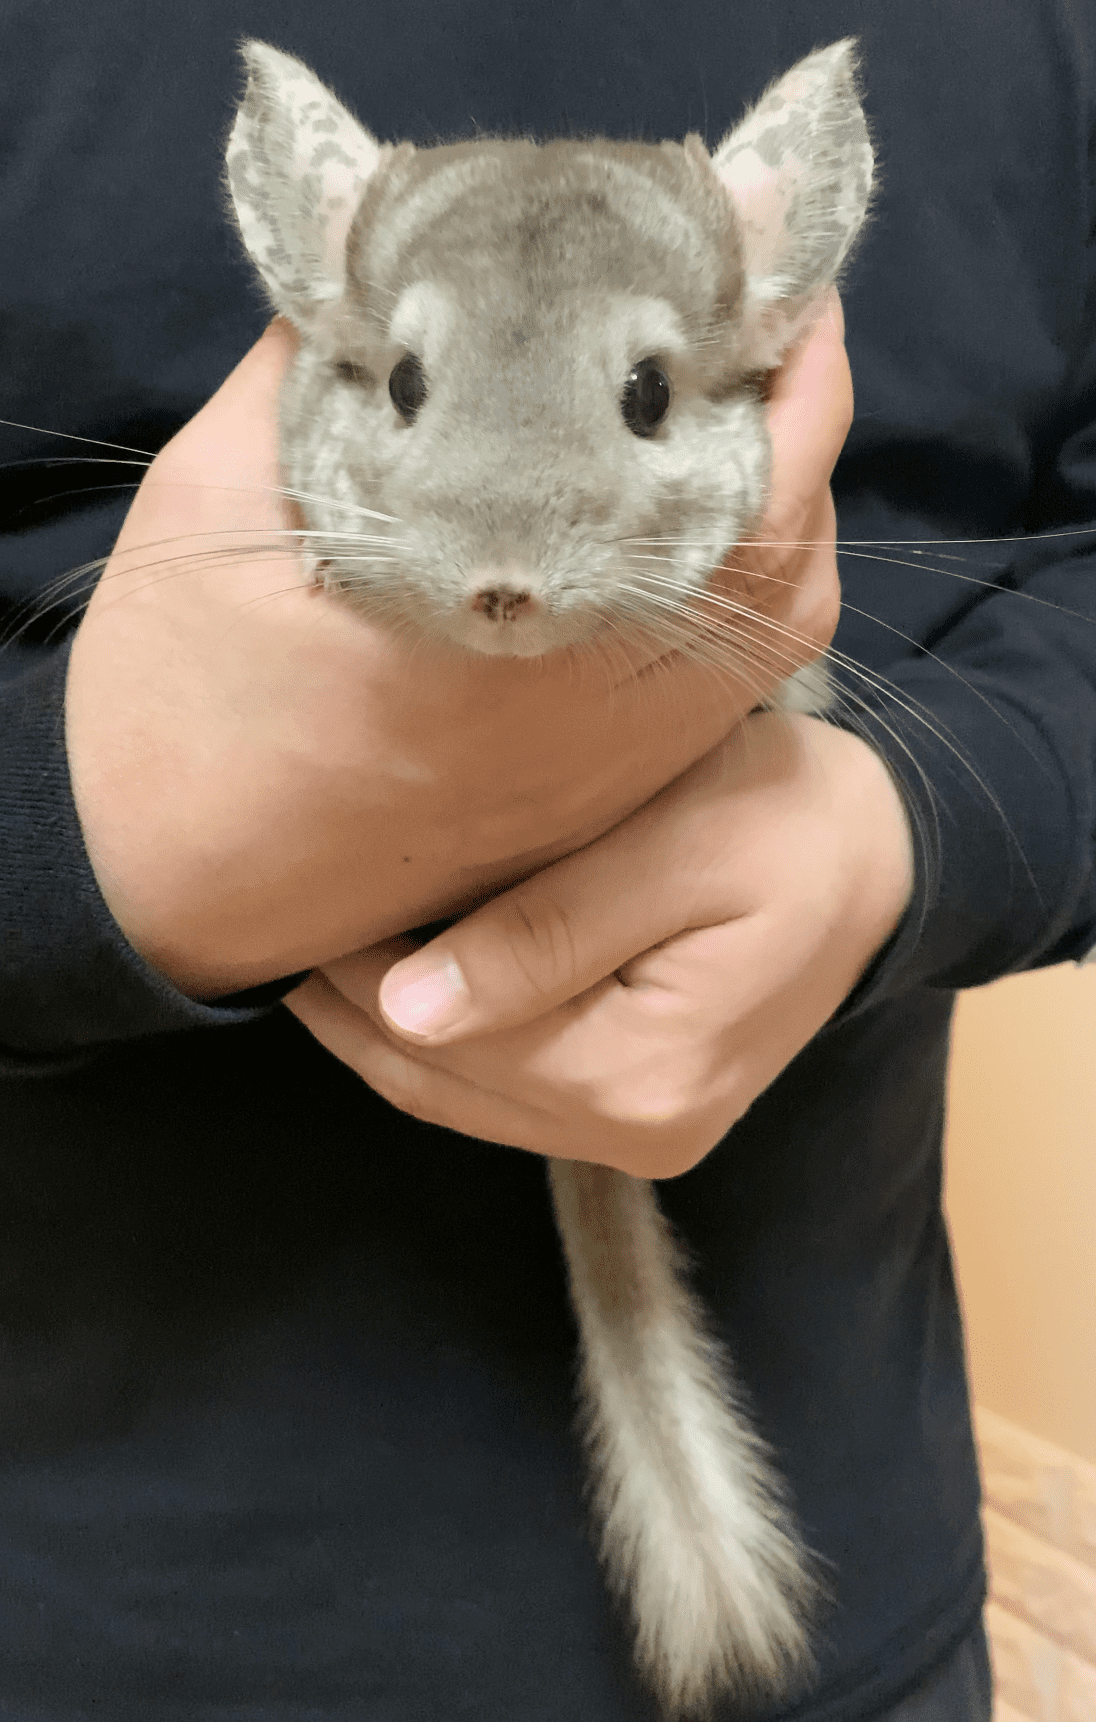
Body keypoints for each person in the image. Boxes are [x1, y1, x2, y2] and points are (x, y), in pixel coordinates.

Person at [1, 1, 1093, 1717]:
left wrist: (904, 830)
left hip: (861, 1570)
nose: (507, 554)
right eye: (413, 380)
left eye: (642, 393)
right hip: (82, 1600)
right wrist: (71, 840)